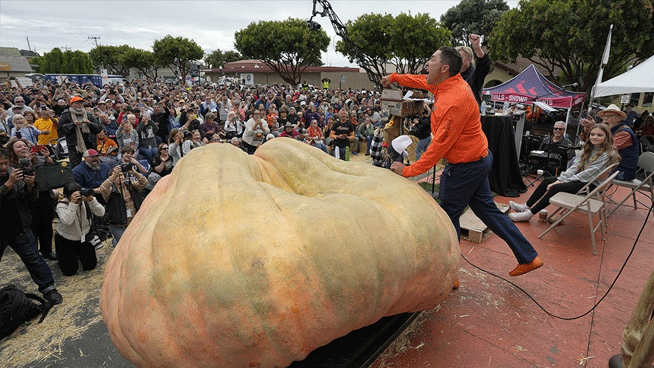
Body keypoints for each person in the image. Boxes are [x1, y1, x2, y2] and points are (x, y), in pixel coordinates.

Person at [382, 46, 543, 277]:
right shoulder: (446, 83)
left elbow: (438, 147)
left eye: (432, 59)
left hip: (466, 166)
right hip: (478, 159)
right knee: (488, 211)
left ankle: (450, 275)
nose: (427, 63)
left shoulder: (454, 100)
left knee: (447, 216)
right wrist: (394, 77)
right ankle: (528, 257)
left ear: (444, 68)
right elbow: (419, 80)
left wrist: (408, 171)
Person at [509, 124, 619, 222]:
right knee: (547, 180)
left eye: (600, 135)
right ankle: (526, 206)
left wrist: (560, 182)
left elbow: (587, 174)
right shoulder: (588, 148)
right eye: (593, 134)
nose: (595, 137)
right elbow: (574, 167)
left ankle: (530, 213)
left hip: (592, 185)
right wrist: (560, 179)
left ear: (607, 137)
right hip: (583, 181)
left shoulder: (607, 153)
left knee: (556, 187)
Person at [0, 148, 63, 304]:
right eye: (0, 164)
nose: (3, 167)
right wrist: (8, 184)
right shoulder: (11, 178)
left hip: (18, 227)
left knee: (34, 259)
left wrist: (30, 186)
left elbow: (28, 199)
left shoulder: (13, 172)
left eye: (6, 163)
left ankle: (48, 288)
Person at [6, 137, 59, 260]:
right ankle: (34, 255)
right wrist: (26, 162)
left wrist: (46, 157)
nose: (23, 148)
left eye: (24, 145)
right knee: (33, 229)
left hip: (45, 196)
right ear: (12, 151)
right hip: (28, 200)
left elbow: (52, 169)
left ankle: (47, 251)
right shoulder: (11, 165)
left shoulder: (37, 158)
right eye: (19, 147)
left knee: (47, 226)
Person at [54, 182, 105, 276]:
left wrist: (92, 200)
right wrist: (73, 204)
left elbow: (101, 213)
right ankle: (65, 259)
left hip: (84, 237)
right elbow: (68, 221)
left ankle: (77, 257)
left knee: (90, 266)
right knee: (70, 272)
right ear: (67, 196)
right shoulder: (61, 205)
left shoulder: (86, 201)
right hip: (66, 239)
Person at [580, 104, 639, 180]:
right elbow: (588, 143)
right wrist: (587, 128)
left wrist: (595, 128)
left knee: (584, 168)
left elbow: (604, 148)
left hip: (622, 171)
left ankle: (581, 189)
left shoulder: (624, 133)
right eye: (604, 116)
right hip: (607, 165)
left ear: (619, 118)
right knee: (579, 162)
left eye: (609, 116)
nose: (605, 119)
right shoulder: (609, 130)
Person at [99, 163, 147, 247]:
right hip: (118, 225)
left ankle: (116, 241)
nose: (120, 177)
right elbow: (103, 188)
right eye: (117, 176)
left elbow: (144, 182)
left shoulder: (131, 185)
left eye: (122, 175)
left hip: (133, 222)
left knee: (135, 243)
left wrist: (134, 172)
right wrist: (113, 175)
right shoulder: (110, 190)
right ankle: (116, 242)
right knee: (123, 245)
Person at [57, 96, 102, 168]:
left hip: (89, 143)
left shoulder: (88, 115)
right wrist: (72, 124)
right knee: (75, 165)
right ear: (72, 104)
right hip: (74, 144)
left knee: (93, 164)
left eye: (81, 103)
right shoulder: (66, 115)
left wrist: (90, 123)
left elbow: (99, 128)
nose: (80, 105)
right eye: (77, 103)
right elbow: (60, 130)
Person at [456, 34, 492, 106]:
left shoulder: (474, 75)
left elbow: (484, 65)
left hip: (469, 114)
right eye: (455, 58)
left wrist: (477, 47)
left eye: (460, 58)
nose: (456, 61)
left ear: (469, 60)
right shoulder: (451, 74)